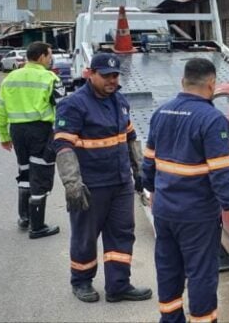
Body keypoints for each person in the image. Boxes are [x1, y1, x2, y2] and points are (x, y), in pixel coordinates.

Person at [142, 58, 229, 323]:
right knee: (201, 272)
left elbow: (149, 160)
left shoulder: (161, 113)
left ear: (182, 82)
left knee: (168, 269)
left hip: (164, 211)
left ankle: (170, 319)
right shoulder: (212, 120)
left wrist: (152, 191)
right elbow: (221, 172)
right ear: (212, 85)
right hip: (197, 215)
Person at [52, 53, 152, 303]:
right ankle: (82, 281)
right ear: (90, 74)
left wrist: (139, 169)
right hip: (90, 184)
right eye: (105, 76)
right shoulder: (73, 104)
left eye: (115, 75)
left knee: (122, 234)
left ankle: (118, 285)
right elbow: (63, 147)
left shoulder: (119, 100)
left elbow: (130, 137)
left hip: (120, 183)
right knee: (85, 236)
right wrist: (72, 183)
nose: (111, 80)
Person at [0, 41, 61, 239]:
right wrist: (61, 134)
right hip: (40, 130)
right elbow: (61, 108)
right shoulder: (50, 78)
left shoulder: (10, 78)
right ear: (41, 57)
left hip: (17, 131)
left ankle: (24, 217)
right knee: (41, 173)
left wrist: (4, 136)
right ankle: (37, 226)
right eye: (49, 56)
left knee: (24, 172)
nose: (50, 60)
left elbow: (0, 110)